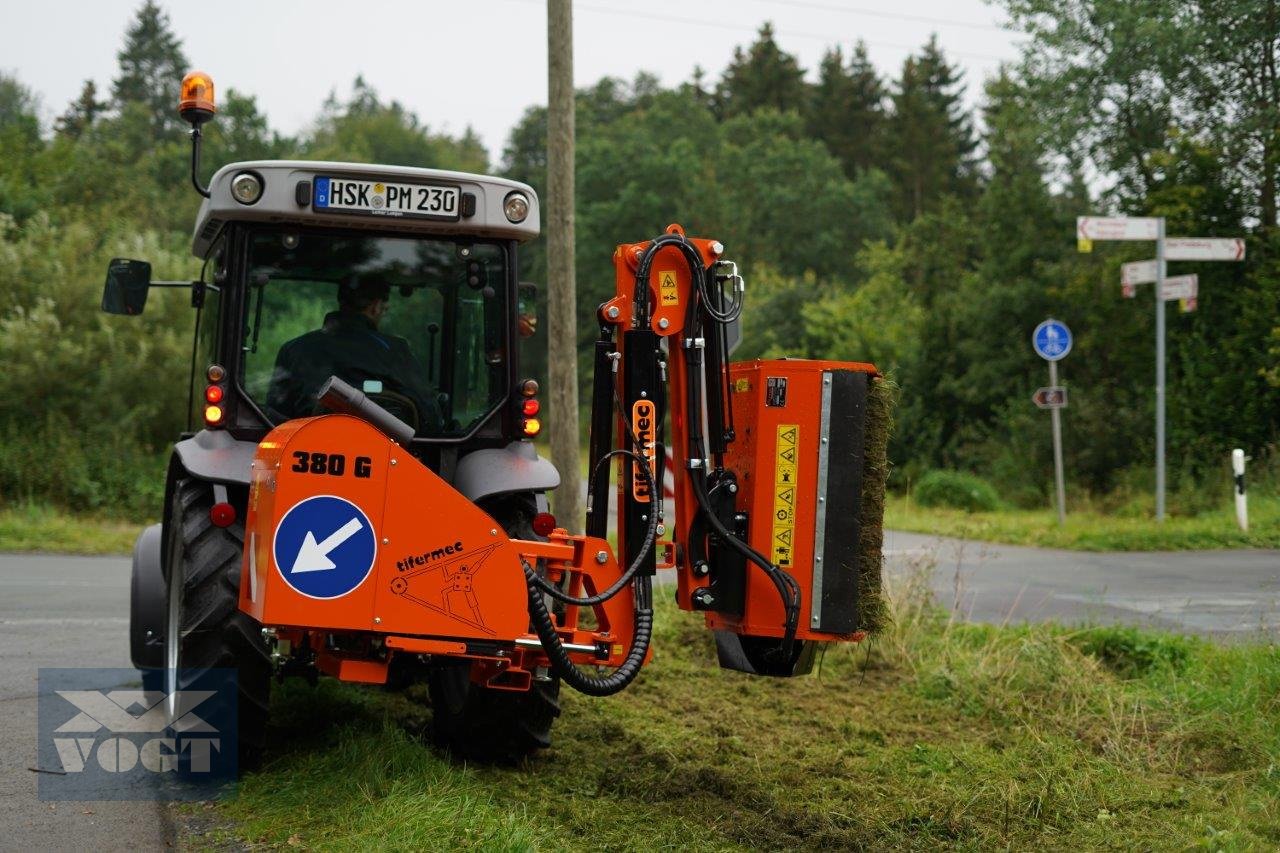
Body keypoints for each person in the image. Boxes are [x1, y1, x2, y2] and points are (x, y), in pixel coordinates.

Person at [265, 275, 441, 432]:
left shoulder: (295, 349)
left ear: (341, 302)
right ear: (376, 307)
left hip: (307, 460)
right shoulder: (397, 351)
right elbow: (430, 419)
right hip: (388, 461)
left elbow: (274, 419)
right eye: (384, 309)